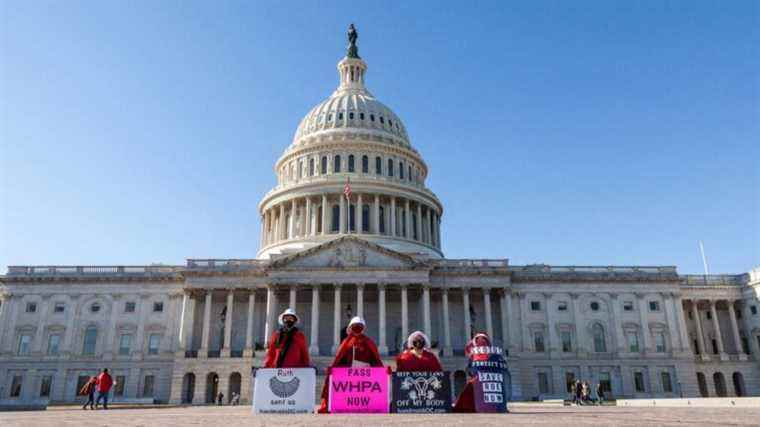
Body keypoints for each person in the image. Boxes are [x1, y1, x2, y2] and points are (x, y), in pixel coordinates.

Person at [318, 316, 383, 413]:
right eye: (355, 326)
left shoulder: (369, 342)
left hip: (365, 375)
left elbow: (375, 359)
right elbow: (339, 359)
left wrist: (382, 370)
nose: (357, 327)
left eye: (360, 326)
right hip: (349, 375)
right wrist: (334, 369)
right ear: (351, 327)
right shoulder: (346, 342)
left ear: (363, 328)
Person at [452, 333, 510, 413]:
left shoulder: (481, 352)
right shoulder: (491, 354)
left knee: (472, 386)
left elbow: (472, 367)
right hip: (489, 380)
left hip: (483, 379)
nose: (481, 343)